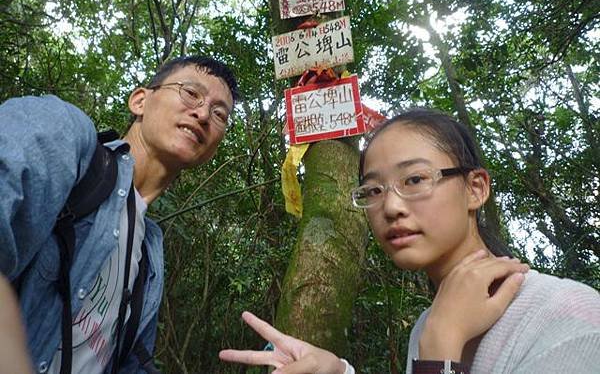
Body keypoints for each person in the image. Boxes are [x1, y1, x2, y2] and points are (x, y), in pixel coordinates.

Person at [219, 108, 600, 374]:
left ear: (475, 188)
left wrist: (441, 350)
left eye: (414, 180)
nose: (391, 207)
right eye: (372, 191)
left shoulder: (569, 315)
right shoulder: (429, 324)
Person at [0, 55, 239, 374]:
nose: (203, 113)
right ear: (140, 101)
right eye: (190, 93)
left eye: (219, 113)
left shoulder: (149, 258)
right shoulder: (67, 136)